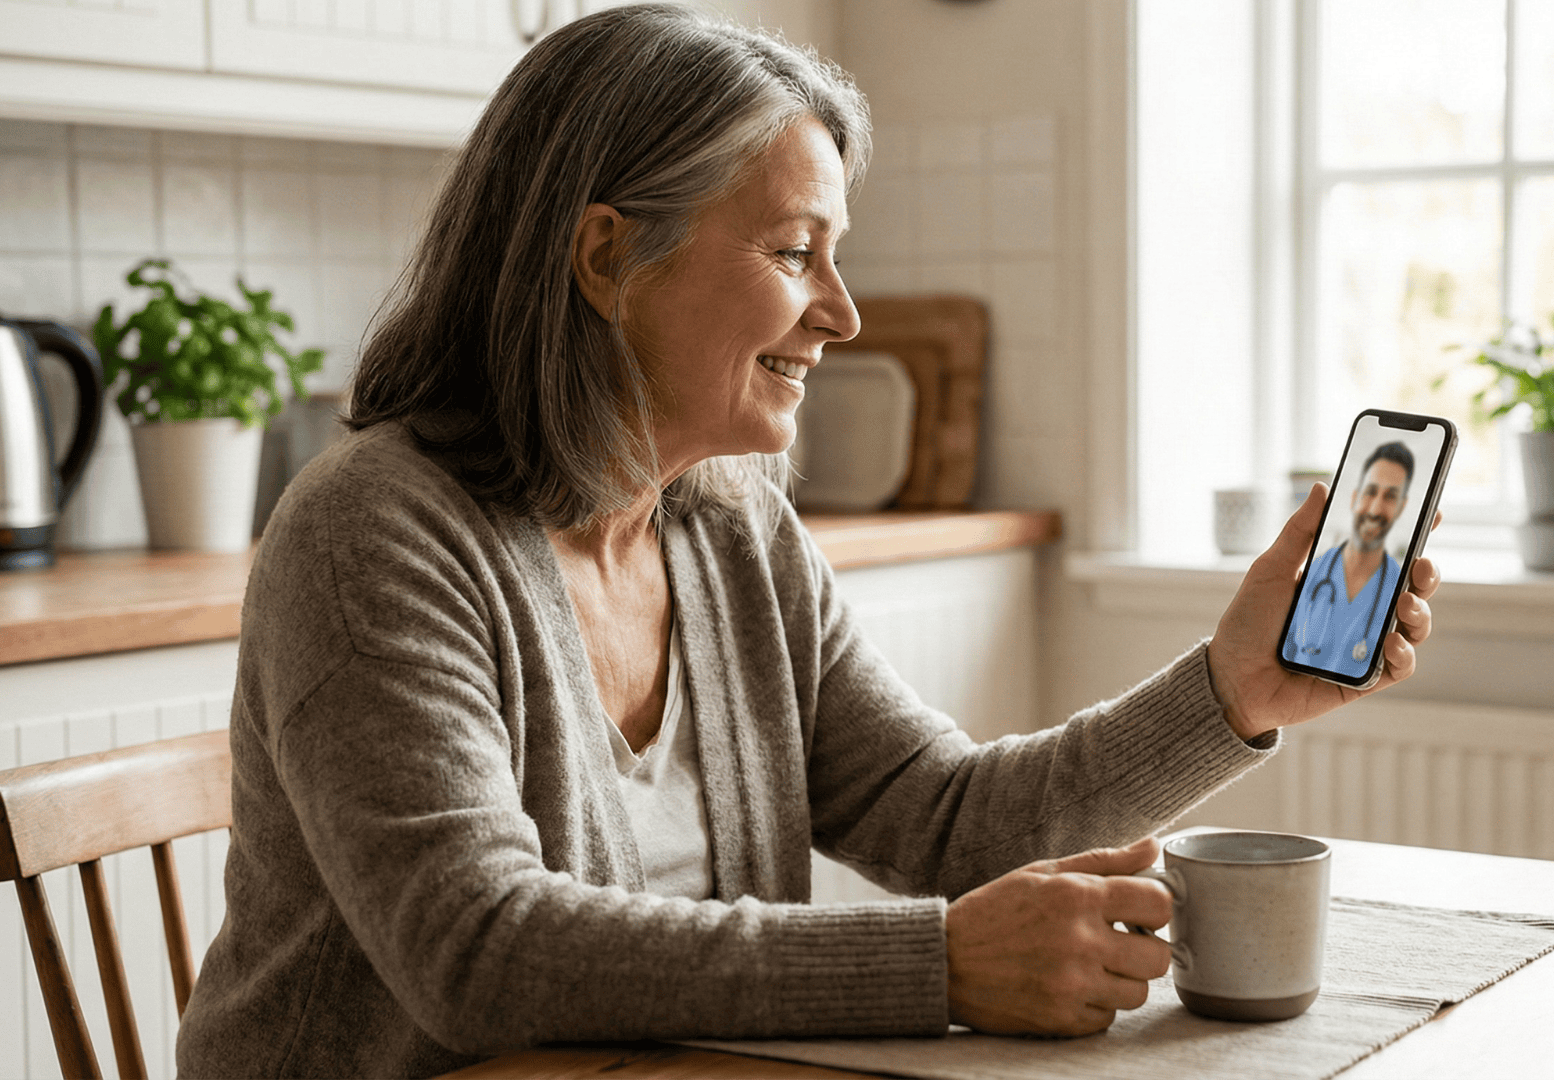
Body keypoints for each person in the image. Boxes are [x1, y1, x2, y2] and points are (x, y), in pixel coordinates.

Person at [174, 5, 1440, 1077]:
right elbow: (479, 950)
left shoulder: (730, 525)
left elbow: (945, 818)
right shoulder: (373, 530)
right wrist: (938, 962)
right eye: (793, 252)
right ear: (608, 256)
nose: (839, 312)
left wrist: (1233, 690)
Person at [1283, 442, 1415, 673]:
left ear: (1401, 507)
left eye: (1390, 497)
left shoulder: (1399, 588)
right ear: (1355, 497)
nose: (1375, 508)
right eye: (1370, 492)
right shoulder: (1314, 571)